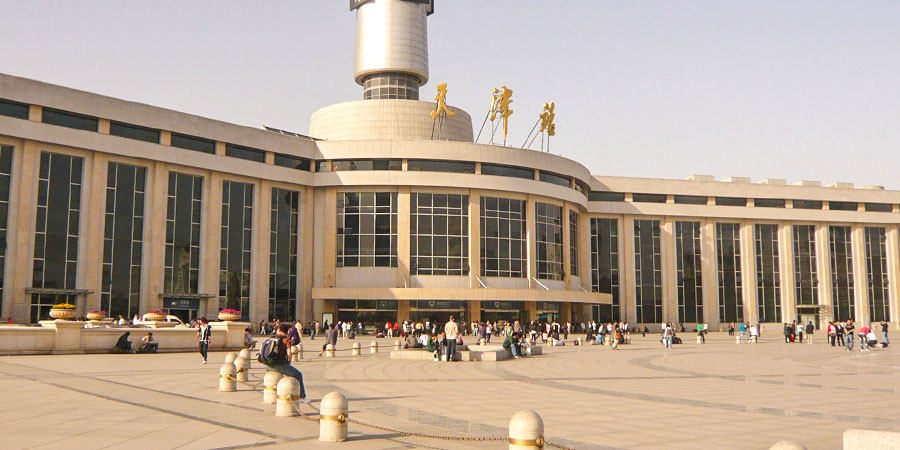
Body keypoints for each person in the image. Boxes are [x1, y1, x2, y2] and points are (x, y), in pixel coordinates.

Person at [265, 324, 311, 403]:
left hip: (268, 365)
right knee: (298, 374)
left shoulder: (272, 338)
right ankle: (302, 396)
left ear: (279, 330)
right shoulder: (286, 340)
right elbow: (289, 354)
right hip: (279, 365)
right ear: (287, 331)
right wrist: (288, 363)